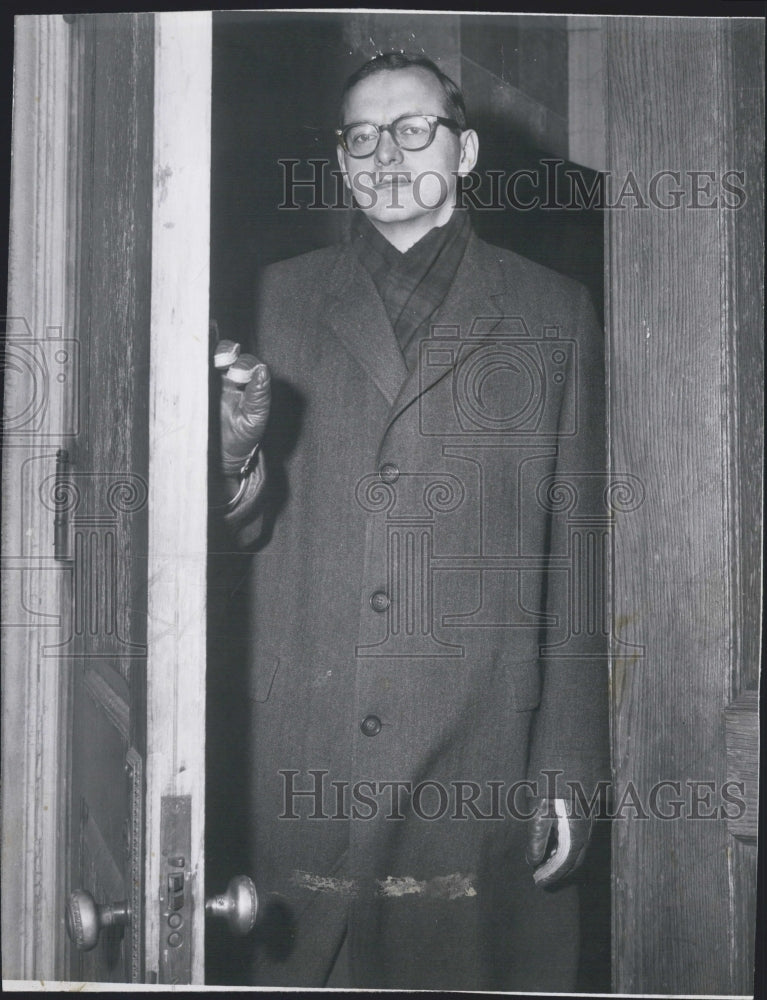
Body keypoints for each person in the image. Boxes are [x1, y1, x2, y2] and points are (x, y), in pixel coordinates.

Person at [212, 51, 608, 991]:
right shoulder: (266, 301)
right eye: (360, 136)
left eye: (411, 129)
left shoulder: (554, 313)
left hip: (475, 759)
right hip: (291, 761)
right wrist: (231, 461)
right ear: (342, 164)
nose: (383, 152)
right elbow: (221, 544)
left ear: (465, 150)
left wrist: (567, 763)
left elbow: (580, 549)